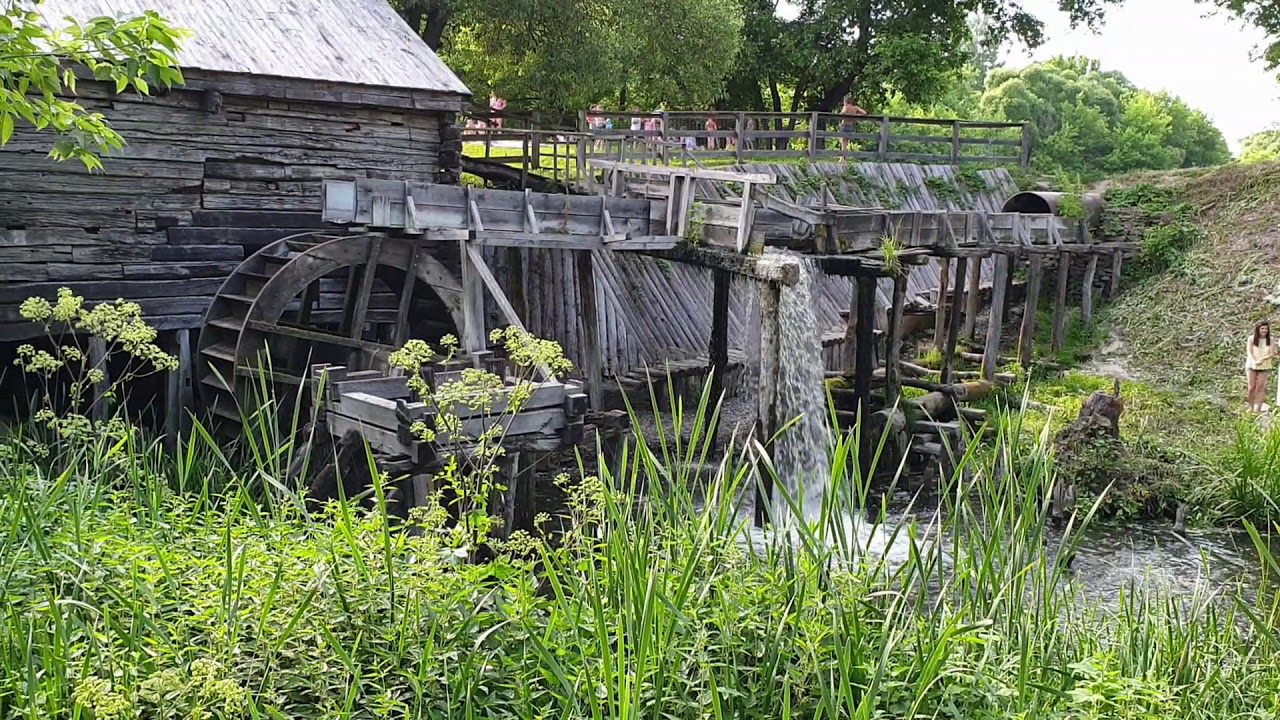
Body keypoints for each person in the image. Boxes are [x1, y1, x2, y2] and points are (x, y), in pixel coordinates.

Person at [1245, 320, 1276, 412]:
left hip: (1264, 365)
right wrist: (1254, 361)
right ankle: (1250, 406)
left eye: (1266, 329)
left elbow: (1271, 353)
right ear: (1258, 329)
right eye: (1262, 328)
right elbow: (1249, 352)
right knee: (1251, 387)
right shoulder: (1251, 339)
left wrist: (1262, 360)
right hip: (1252, 365)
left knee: (1260, 387)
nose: (1264, 331)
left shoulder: (1270, 339)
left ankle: (1258, 408)